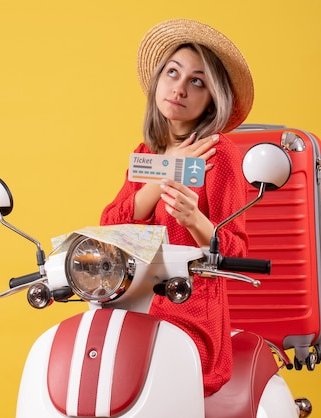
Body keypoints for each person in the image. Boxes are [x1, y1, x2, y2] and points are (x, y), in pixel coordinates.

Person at [100, 19, 254, 397]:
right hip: (133, 302)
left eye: (197, 81)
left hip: (189, 308)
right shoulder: (145, 153)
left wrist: (195, 219)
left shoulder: (219, 155)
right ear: (158, 81)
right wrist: (166, 173)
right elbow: (109, 226)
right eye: (173, 73)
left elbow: (236, 249)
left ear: (212, 99)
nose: (180, 88)